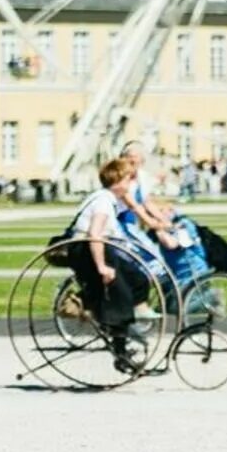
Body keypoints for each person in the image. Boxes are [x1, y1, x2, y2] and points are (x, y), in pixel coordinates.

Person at [64, 157, 149, 373]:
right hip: (86, 250)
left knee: (139, 280)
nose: (131, 184)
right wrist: (101, 267)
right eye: (129, 179)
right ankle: (120, 349)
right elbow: (94, 235)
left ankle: (115, 321)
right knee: (119, 294)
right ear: (119, 180)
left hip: (101, 249)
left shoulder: (109, 200)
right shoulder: (103, 201)